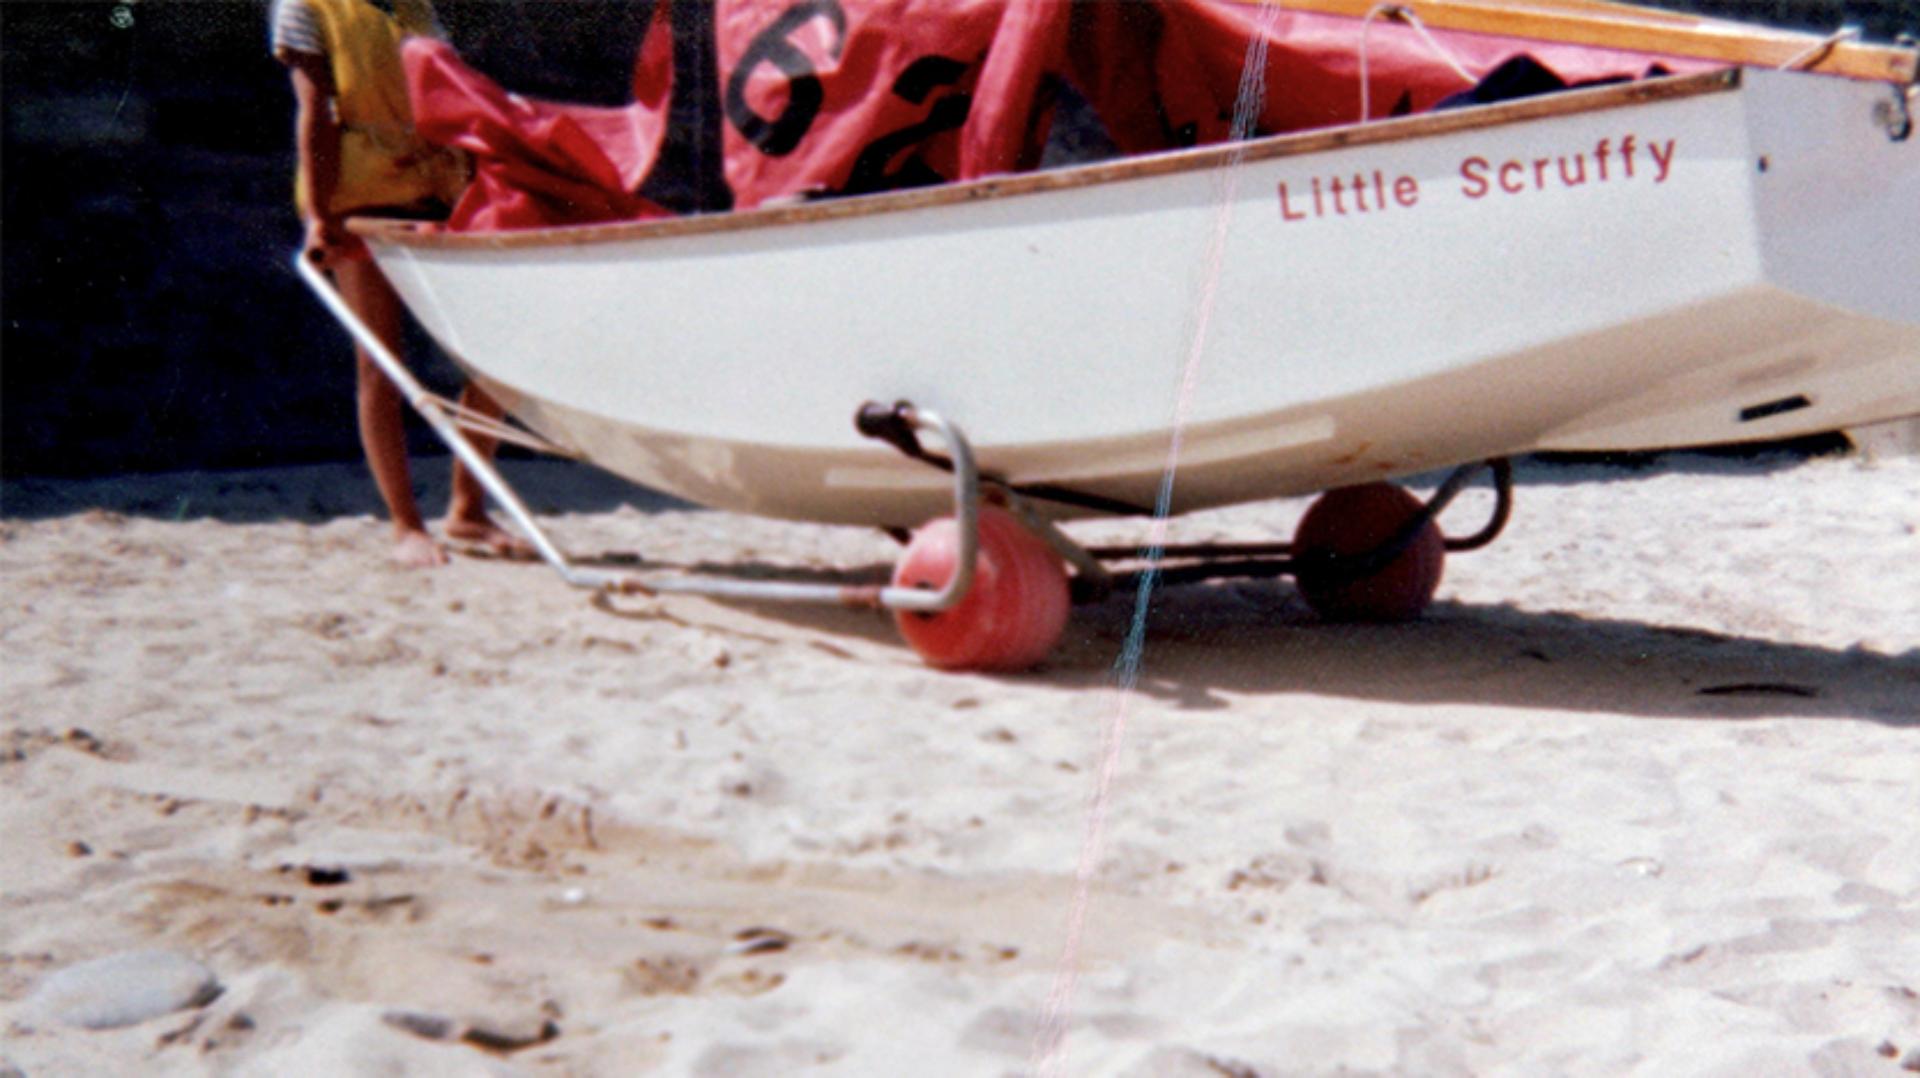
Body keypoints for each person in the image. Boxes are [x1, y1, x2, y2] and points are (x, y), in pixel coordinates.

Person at [273, 0, 526, 567]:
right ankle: (406, 525)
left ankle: (467, 508)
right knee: (381, 364)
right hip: (358, 196)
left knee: (491, 356)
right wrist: (319, 214)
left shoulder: (417, 7)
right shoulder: (305, 6)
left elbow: (450, 95)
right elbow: (313, 108)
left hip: (436, 189)